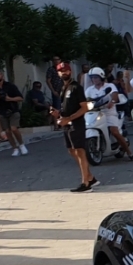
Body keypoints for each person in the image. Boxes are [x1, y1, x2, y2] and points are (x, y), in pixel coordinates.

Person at [50, 61, 98, 192]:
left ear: (70, 71)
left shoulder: (76, 87)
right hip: (67, 123)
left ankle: (85, 183)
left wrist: (69, 119)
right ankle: (90, 177)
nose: (63, 73)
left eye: (65, 70)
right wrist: (57, 114)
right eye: (60, 71)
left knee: (80, 151)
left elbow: (84, 108)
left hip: (76, 123)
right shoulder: (63, 88)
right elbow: (66, 107)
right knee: (71, 151)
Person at [83, 67, 131, 158]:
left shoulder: (109, 86)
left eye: (96, 77)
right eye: (92, 78)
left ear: (101, 77)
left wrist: (112, 102)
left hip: (109, 112)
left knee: (114, 131)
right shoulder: (89, 90)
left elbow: (115, 96)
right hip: (95, 112)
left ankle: (128, 151)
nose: (94, 79)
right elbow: (85, 101)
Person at [0, 72, 26, 156]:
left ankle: (21, 144)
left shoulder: (10, 86)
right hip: (1, 112)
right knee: (7, 131)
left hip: (13, 110)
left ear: (2, 76)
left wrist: (9, 99)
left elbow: (20, 98)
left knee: (14, 128)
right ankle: (14, 148)